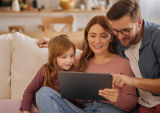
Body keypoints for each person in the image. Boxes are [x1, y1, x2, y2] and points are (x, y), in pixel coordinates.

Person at [36, 15, 137, 113]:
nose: (97, 41)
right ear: (87, 37)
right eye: (93, 36)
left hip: (110, 109)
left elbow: (132, 104)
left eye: (103, 36)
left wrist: (118, 98)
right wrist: (80, 95)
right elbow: (76, 100)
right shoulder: (78, 61)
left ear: (111, 38)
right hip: (83, 110)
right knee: (44, 93)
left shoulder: (123, 63)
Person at [105, 0, 160, 113]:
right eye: (115, 30)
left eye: (126, 30)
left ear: (139, 23)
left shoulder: (157, 38)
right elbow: (92, 41)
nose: (120, 37)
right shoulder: (118, 39)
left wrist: (131, 81)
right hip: (144, 105)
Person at [21, 35, 84, 113]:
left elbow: (80, 101)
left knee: (43, 92)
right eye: (64, 57)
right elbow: (29, 91)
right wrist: (26, 111)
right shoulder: (45, 70)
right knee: (43, 92)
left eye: (71, 56)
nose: (69, 60)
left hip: (69, 109)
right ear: (54, 57)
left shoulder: (75, 71)